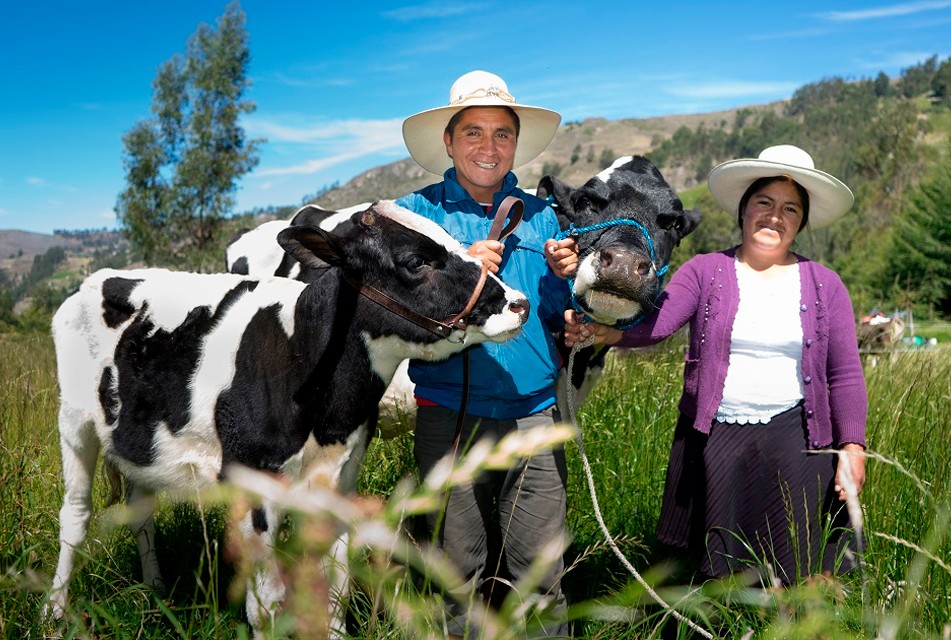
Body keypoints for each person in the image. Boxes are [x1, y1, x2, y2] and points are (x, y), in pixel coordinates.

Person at [564, 144, 867, 586]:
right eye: (764, 203)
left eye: (790, 209)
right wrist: (609, 333)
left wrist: (853, 447)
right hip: (719, 434)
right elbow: (660, 322)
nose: (774, 216)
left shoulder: (826, 284)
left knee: (798, 560)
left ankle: (798, 616)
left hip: (799, 439)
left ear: (800, 222)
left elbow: (845, 374)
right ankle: (728, 616)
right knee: (723, 568)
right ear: (744, 210)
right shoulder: (706, 270)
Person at [397, 70, 577, 637]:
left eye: (503, 134)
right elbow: (394, 314)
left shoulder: (543, 216)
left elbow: (559, 317)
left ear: (515, 145)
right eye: (473, 132)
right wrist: (455, 271)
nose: (489, 146)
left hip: (535, 416)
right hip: (449, 416)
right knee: (457, 581)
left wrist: (569, 283)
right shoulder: (411, 216)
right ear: (448, 142)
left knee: (541, 580)